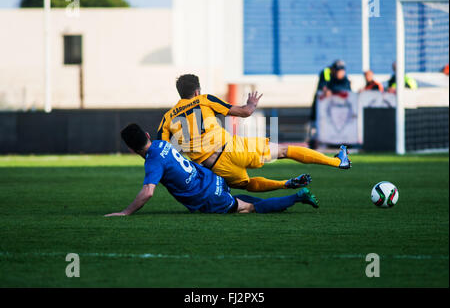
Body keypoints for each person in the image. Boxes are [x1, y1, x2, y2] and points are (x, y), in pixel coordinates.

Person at [156, 74, 351, 193]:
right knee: (283, 151)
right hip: (233, 148)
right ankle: (338, 162)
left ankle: (285, 184)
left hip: (214, 166)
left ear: (179, 92)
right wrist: (251, 104)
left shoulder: (167, 118)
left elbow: (159, 152)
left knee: (247, 185)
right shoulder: (204, 99)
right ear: (197, 91)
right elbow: (245, 113)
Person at [104, 124, 319, 216]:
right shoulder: (162, 144)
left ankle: (298, 196)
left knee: (249, 209)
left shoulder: (152, 161)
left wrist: (125, 212)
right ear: (148, 135)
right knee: (241, 201)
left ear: (132, 149)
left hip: (207, 196)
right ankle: (289, 190)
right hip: (211, 179)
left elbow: (148, 191)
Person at [309, 60, 352, 148]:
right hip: (321, 110)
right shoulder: (326, 73)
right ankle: (316, 142)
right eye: (338, 71)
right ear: (333, 70)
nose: (340, 73)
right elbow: (323, 87)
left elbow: (346, 88)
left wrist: (332, 91)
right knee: (316, 127)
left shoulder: (344, 79)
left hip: (337, 110)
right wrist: (326, 89)